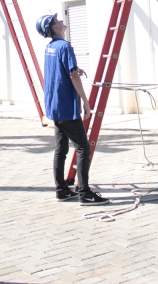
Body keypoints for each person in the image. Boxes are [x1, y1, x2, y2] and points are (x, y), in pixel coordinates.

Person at [36, 14, 107, 206]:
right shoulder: (65, 46)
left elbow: (62, 69)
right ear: (54, 28)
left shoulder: (50, 47)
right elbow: (72, 76)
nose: (61, 21)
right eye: (57, 20)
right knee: (83, 148)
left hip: (54, 105)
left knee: (61, 149)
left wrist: (75, 68)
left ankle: (62, 190)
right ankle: (85, 193)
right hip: (66, 106)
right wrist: (85, 101)